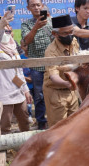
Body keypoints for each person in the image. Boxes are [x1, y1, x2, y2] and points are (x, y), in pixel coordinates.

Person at [0, 14, 32, 134]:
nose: (6, 33)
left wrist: (25, 89)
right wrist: (0, 26)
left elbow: (18, 72)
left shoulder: (13, 48)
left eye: (8, 30)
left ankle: (24, 148)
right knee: (5, 126)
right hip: (3, 96)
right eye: (3, 30)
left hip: (18, 92)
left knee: (25, 122)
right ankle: (5, 152)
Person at [43, 14, 79, 127]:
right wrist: (67, 83)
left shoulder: (73, 41)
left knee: (75, 124)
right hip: (56, 92)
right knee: (59, 127)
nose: (69, 35)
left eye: (71, 32)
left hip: (72, 90)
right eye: (65, 33)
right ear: (55, 34)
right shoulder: (51, 51)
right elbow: (53, 77)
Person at [21, 0, 52, 129]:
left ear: (42, 6)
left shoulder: (51, 21)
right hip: (36, 67)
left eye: (38, 5)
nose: (36, 7)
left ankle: (54, 119)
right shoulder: (26, 24)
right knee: (39, 96)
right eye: (33, 5)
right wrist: (36, 27)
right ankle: (41, 122)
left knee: (54, 93)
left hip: (52, 65)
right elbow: (26, 41)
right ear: (28, 8)